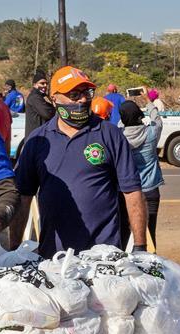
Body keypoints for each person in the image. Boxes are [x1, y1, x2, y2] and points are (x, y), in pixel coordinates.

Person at [12, 66, 147, 258]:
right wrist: (14, 251)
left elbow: (132, 192)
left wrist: (140, 247)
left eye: (87, 93)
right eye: (74, 94)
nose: (83, 99)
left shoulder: (110, 135)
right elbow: (23, 197)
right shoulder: (37, 141)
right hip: (53, 258)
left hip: (103, 257)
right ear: (54, 99)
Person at [118, 99, 164, 249]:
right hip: (149, 190)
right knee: (149, 233)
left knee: (123, 231)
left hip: (126, 192)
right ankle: (150, 267)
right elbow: (157, 119)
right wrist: (148, 101)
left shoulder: (119, 137)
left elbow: (121, 124)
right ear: (139, 114)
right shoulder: (151, 133)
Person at [24, 69, 54, 139]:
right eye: (42, 83)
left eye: (46, 83)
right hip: (36, 138)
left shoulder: (41, 96)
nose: (45, 86)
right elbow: (47, 114)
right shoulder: (35, 97)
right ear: (34, 85)